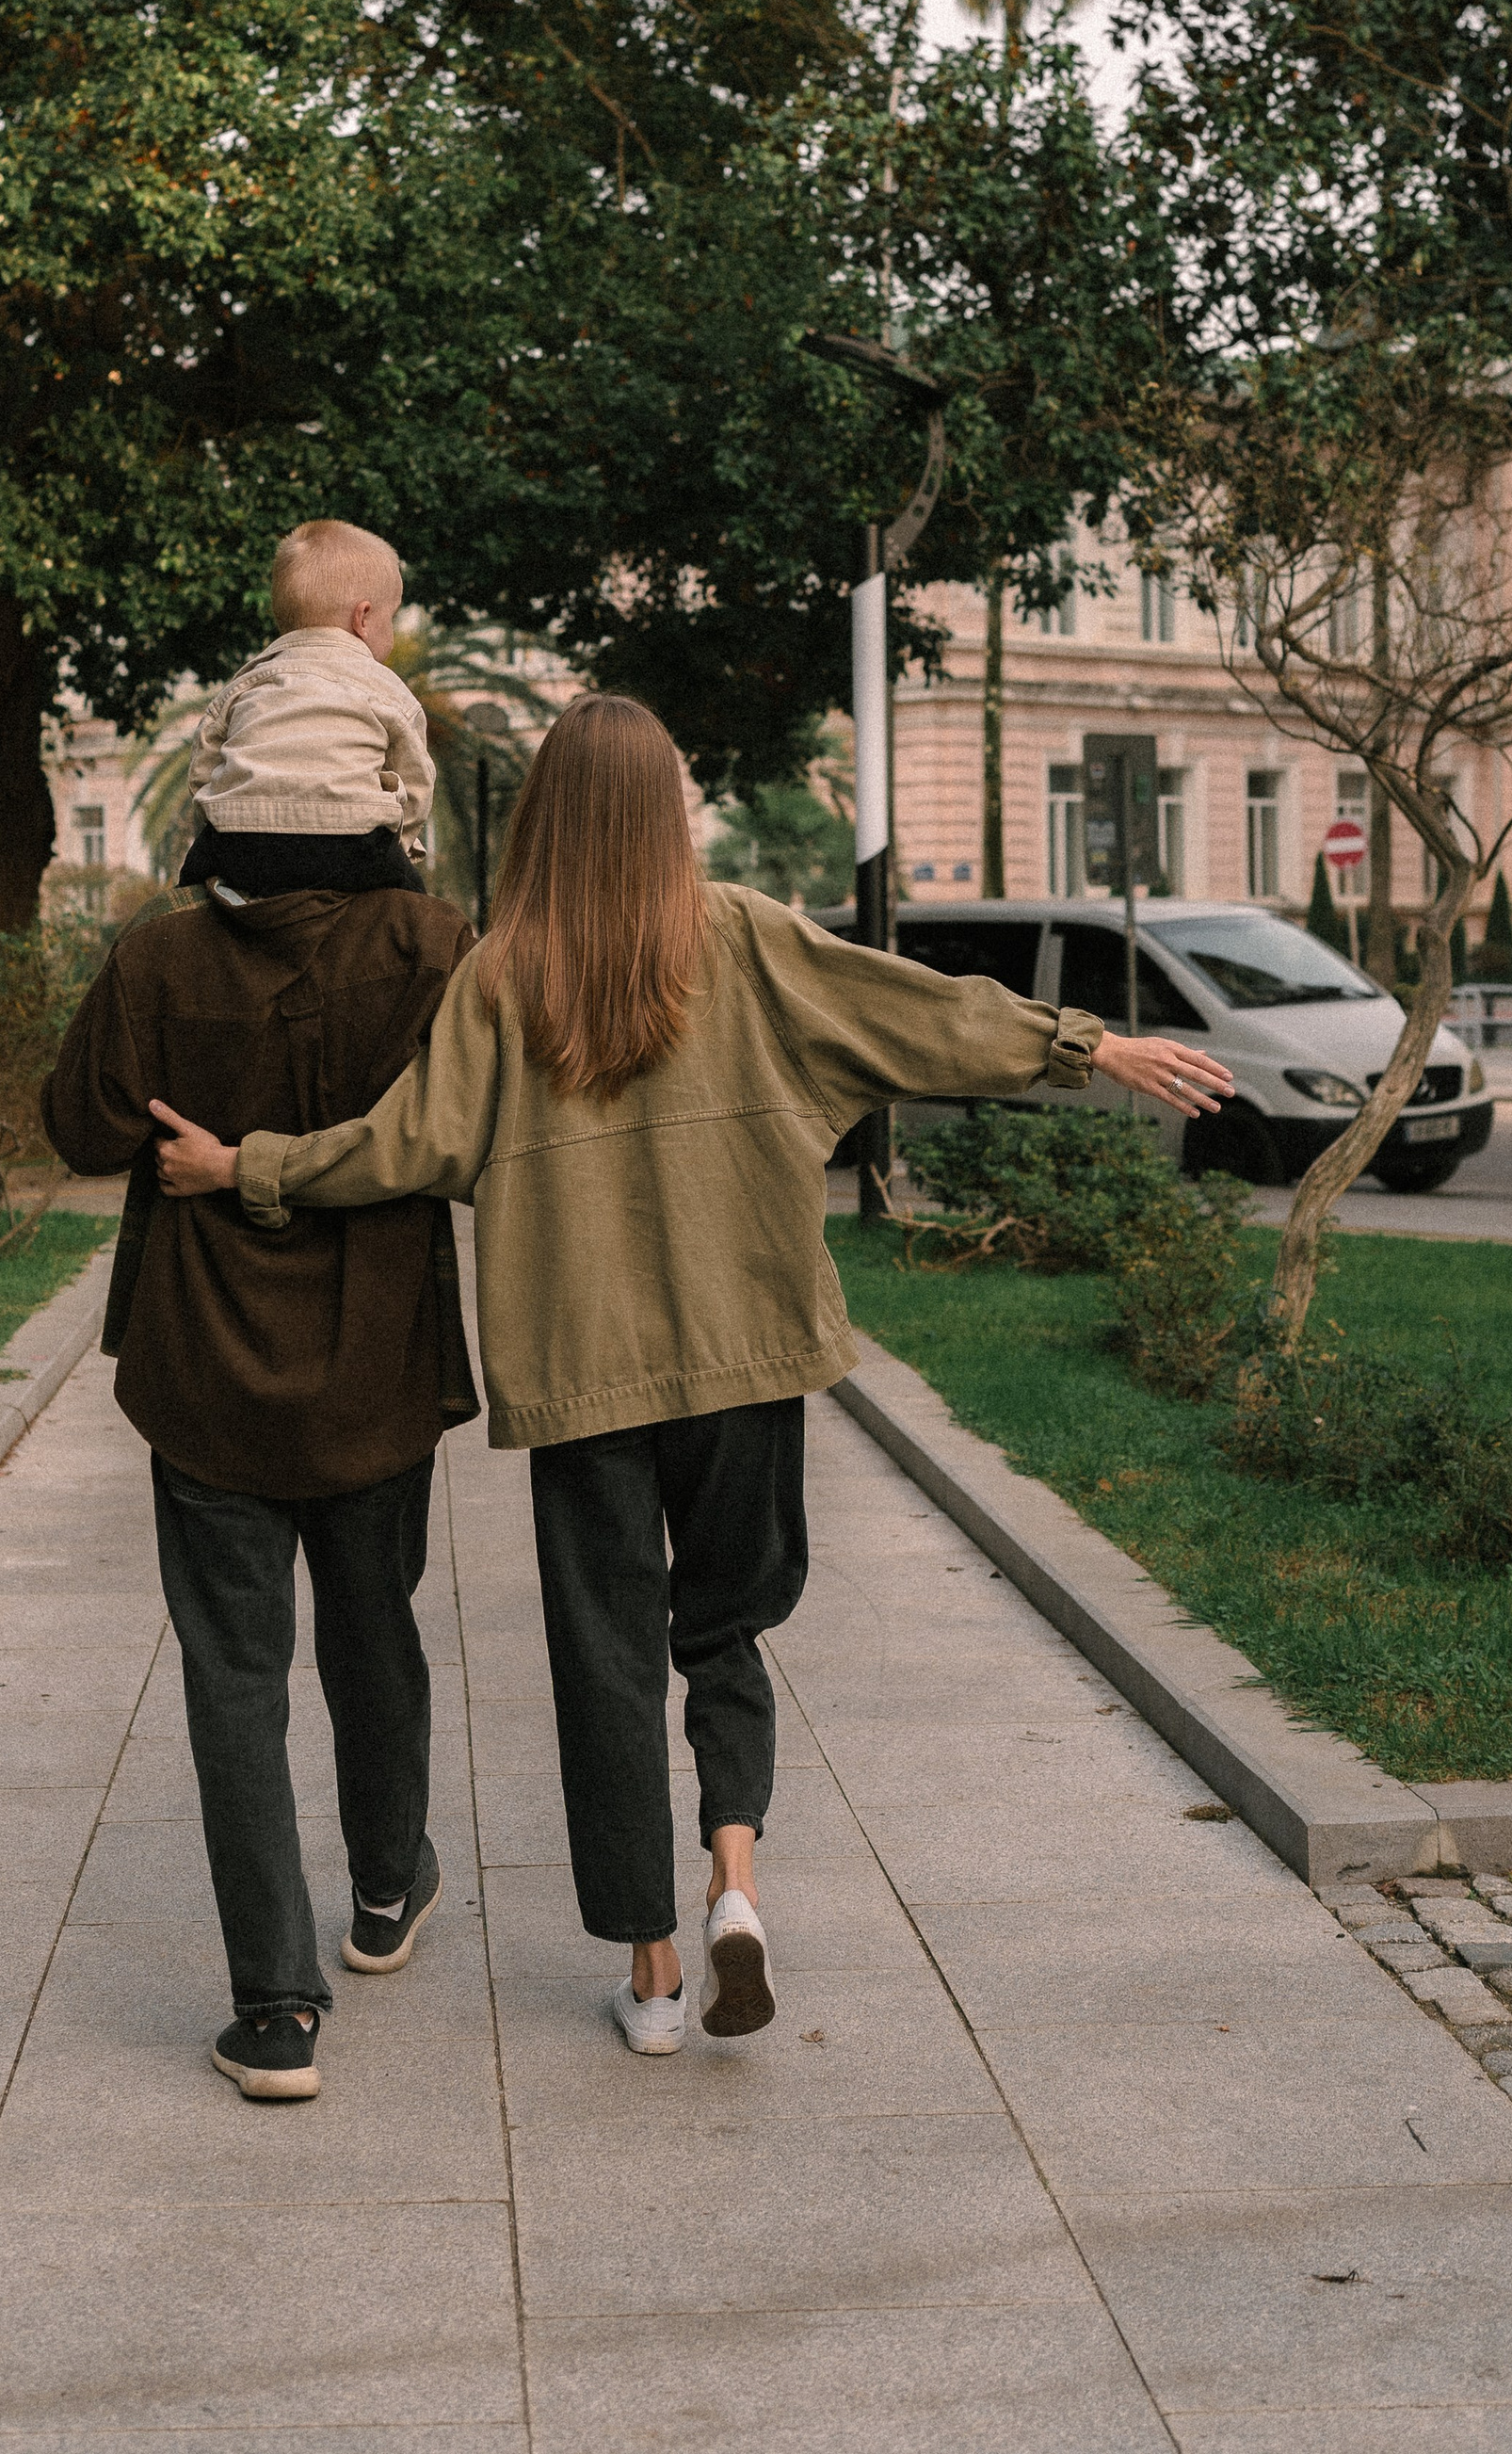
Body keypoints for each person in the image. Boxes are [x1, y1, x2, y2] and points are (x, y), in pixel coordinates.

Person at [151, 696, 1233, 2058]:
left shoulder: (501, 978)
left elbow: (403, 1145)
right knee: (725, 1631)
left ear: (545, 817)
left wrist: (244, 1165)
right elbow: (919, 1014)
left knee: (606, 1663)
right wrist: (1086, 1045)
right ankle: (736, 1884)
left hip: (583, 1381)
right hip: (744, 1360)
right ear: (667, 809)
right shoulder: (744, 937)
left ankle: (654, 1977)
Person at [40, 518, 477, 2109]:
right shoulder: (435, 949)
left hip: (201, 1368)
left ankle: (276, 2011)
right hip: (377, 1362)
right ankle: (387, 1885)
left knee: (233, 1672)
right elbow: (474, 1143)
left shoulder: (157, 960)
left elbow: (82, 1127)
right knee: (375, 1629)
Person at [181, 517, 435, 896]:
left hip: (242, 843)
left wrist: (222, 817)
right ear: (363, 617)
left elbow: (204, 766)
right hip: (351, 843)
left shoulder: (248, 682)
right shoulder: (384, 688)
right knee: (415, 905)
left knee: (188, 891)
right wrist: (399, 845)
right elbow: (416, 782)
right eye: (392, 618)